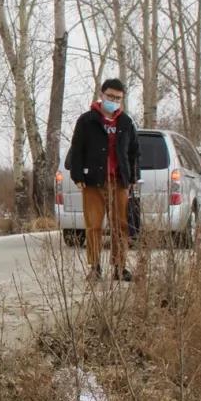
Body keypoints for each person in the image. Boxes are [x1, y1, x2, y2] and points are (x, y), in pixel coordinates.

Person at [67, 78, 140, 282]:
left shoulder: (126, 122)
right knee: (94, 225)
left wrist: (133, 176)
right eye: (110, 96)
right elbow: (77, 149)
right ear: (102, 95)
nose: (113, 101)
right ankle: (95, 267)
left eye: (118, 98)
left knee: (120, 225)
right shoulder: (87, 120)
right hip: (93, 181)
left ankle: (119, 267)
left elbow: (134, 152)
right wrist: (77, 175)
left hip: (119, 181)